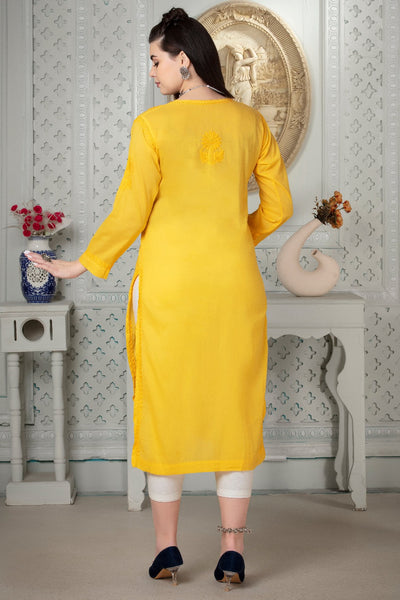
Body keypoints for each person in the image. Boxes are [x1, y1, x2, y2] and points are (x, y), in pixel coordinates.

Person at [25, 7, 293, 590]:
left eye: (155, 60)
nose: (151, 72)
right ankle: (232, 553)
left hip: (169, 288)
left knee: (164, 408)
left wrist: (82, 263)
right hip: (234, 286)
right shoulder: (252, 122)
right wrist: (232, 238)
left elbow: (130, 210)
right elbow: (279, 208)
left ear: (184, 61)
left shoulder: (152, 127)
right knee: (233, 411)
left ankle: (167, 550)